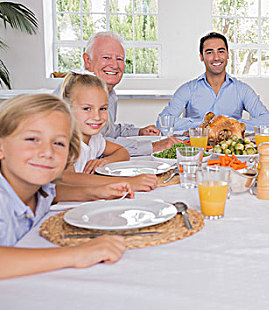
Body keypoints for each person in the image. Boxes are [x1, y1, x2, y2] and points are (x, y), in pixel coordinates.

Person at [0, 94, 127, 279]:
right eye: (32, 139)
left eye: (59, 143)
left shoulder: (39, 188)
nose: (47, 152)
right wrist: (78, 254)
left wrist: (92, 193)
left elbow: (53, 193)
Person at [56, 31, 181, 156]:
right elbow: (98, 143)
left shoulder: (109, 94)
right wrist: (152, 146)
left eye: (120, 59)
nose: (114, 65)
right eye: (106, 57)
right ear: (87, 61)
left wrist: (138, 132)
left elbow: (108, 131)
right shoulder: (72, 92)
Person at [59, 72, 158, 193]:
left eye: (103, 108)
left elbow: (122, 152)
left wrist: (104, 161)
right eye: (87, 108)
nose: (97, 116)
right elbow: (68, 179)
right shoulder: (63, 141)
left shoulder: (95, 139)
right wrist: (127, 183)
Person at [157, 32, 269, 131]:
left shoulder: (242, 89)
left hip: (231, 153)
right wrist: (204, 125)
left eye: (221, 51)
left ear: (228, 55)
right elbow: (163, 122)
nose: (216, 57)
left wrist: (230, 125)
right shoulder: (188, 89)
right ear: (201, 57)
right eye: (209, 52)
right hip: (197, 150)